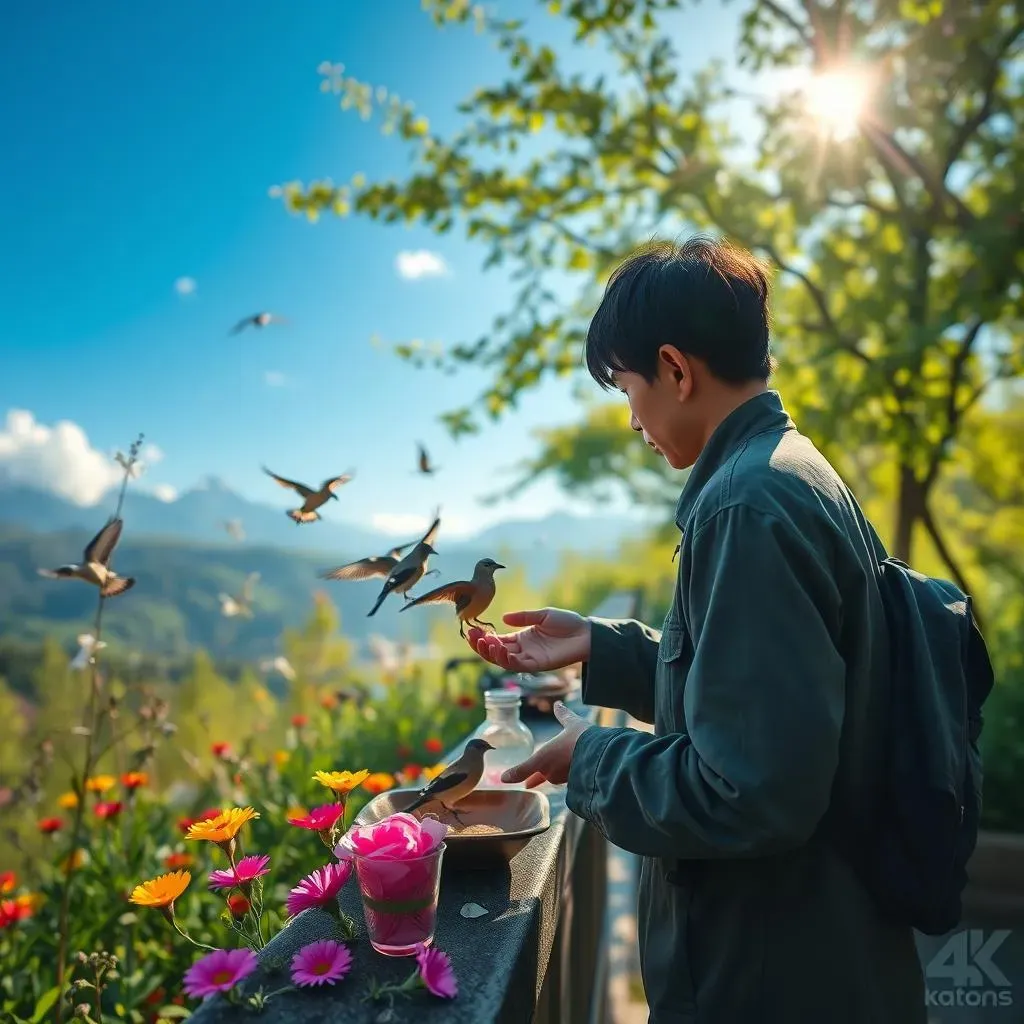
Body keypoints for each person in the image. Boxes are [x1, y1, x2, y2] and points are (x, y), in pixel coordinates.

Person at [467, 237, 926, 1024]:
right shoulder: (789, 469)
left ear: (677, 370)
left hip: (768, 974)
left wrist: (595, 756)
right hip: (816, 948)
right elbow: (767, 698)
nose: (632, 420)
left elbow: (750, 793)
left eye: (627, 388)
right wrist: (602, 647)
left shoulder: (746, 507)